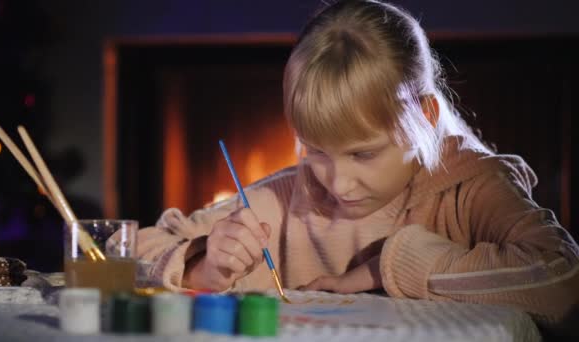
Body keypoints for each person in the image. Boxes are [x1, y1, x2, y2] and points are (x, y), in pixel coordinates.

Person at [135, 0, 578, 335]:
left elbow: (563, 280)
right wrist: (204, 268)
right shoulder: (289, 197)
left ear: (423, 117)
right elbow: (137, 251)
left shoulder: (472, 187)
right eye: (316, 151)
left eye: (363, 154)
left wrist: (394, 263)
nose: (338, 183)